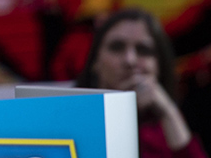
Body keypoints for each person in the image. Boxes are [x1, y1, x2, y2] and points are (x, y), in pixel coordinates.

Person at [75, 8, 207, 158]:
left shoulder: (173, 125)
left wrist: (169, 112)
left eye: (143, 50)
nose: (130, 60)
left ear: (159, 65)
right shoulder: (70, 119)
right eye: (117, 47)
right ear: (95, 61)